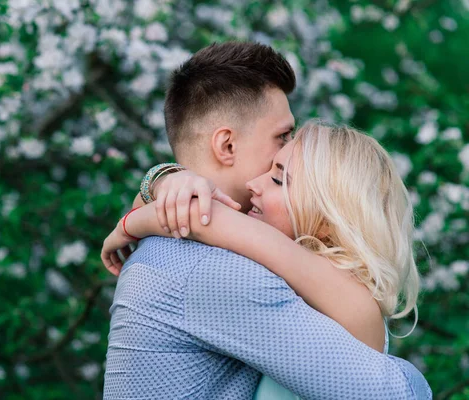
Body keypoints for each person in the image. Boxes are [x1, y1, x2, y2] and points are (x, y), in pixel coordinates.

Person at [101, 41, 432, 399]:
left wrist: (148, 200)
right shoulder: (214, 270)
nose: (290, 146)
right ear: (226, 146)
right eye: (282, 137)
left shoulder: (203, 245)